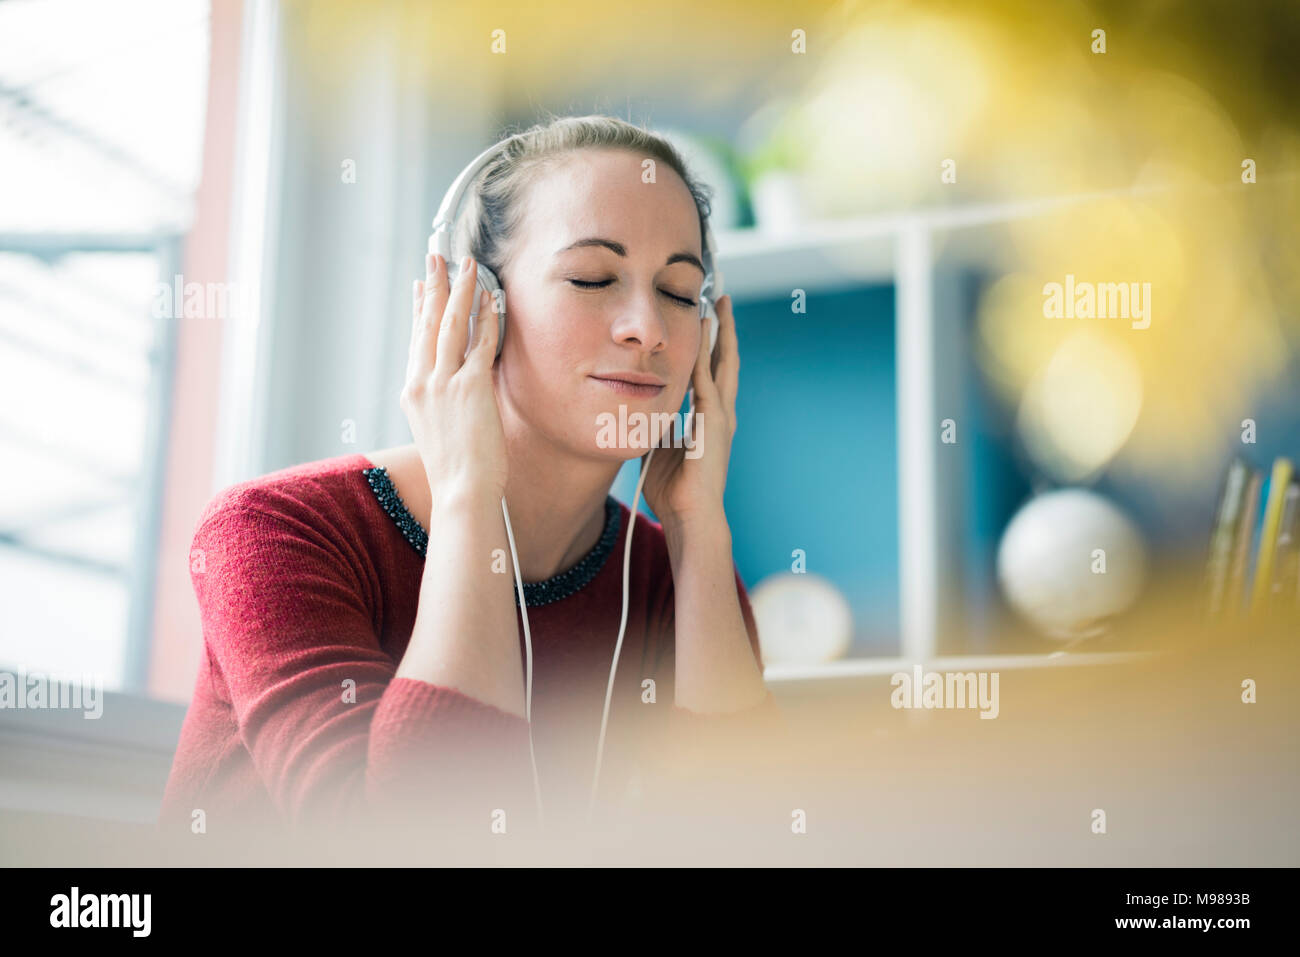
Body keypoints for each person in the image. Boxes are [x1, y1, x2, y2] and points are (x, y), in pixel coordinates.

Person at [159, 114, 786, 848]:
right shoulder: (275, 531)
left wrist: (700, 528)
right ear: (474, 303)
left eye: (680, 292)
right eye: (592, 277)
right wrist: (468, 496)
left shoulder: (678, 578)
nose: (647, 327)